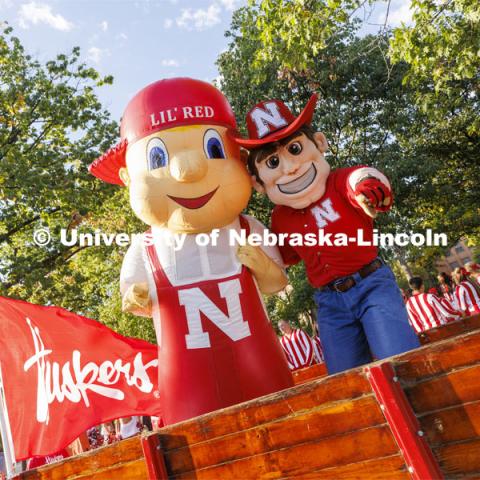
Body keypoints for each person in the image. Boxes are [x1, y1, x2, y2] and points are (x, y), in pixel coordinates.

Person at [89, 78, 293, 425]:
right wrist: (135, 296)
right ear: (128, 176)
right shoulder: (146, 247)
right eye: (158, 157)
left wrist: (261, 264)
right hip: (187, 383)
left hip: (260, 365)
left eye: (213, 149)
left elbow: (276, 284)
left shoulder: (247, 228)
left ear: (239, 159)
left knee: (283, 430)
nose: (188, 170)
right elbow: (133, 302)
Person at [232, 94, 420, 374]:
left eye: (295, 149)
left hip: (371, 284)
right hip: (329, 301)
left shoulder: (339, 182)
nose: (290, 167)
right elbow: (284, 256)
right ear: (258, 183)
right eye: (272, 163)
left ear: (318, 143)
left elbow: (360, 179)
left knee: (400, 360)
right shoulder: (280, 217)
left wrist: (369, 187)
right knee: (345, 378)